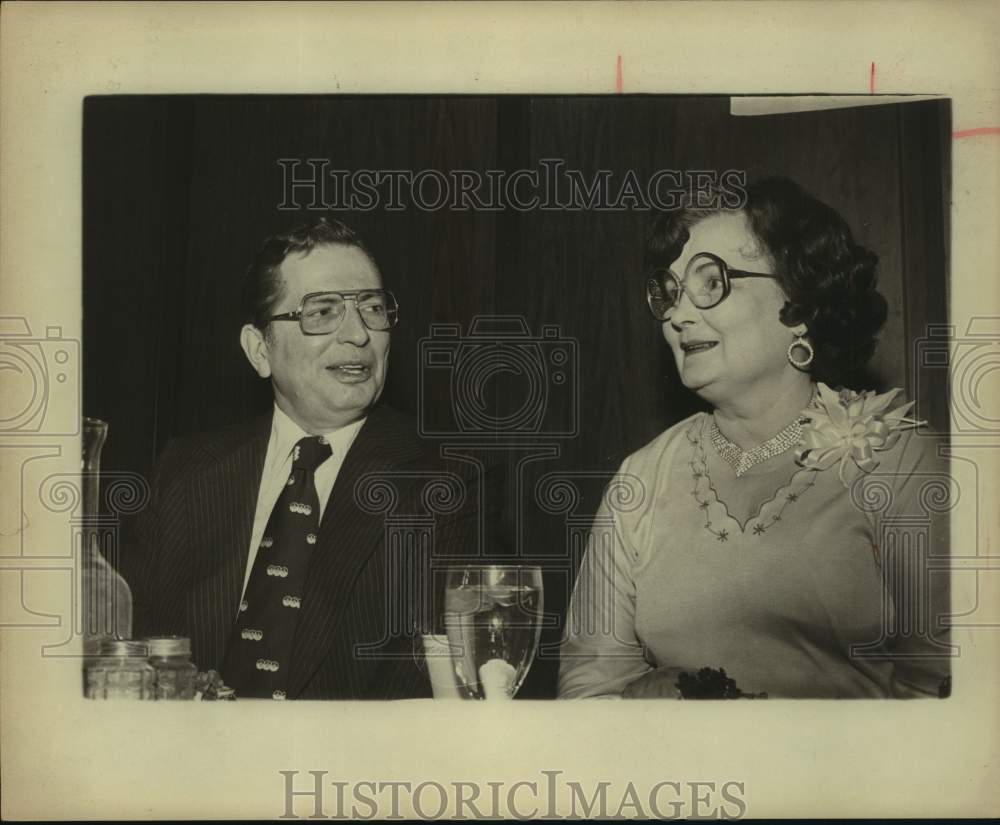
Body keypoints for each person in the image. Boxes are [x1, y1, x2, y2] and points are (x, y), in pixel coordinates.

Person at [558, 177, 951, 699]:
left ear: (799, 306)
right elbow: (588, 691)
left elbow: (947, 698)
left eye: (710, 282)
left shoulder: (903, 462)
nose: (677, 314)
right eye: (670, 291)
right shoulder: (641, 478)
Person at [122, 218, 480, 700]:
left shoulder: (442, 482)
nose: (358, 335)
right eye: (323, 311)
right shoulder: (185, 473)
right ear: (259, 349)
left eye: (373, 308)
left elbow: (441, 687)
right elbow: (130, 653)